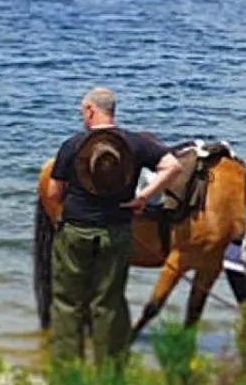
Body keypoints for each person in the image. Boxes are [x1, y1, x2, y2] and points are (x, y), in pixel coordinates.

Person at [47, 87, 181, 366]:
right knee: (109, 302)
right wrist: (142, 197)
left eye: (82, 112)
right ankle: (110, 370)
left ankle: (68, 370)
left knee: (68, 302)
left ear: (90, 111)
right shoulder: (135, 143)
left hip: (75, 233)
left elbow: (53, 193)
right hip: (116, 233)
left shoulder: (72, 144)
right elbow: (173, 167)